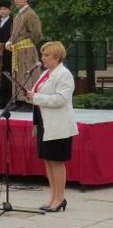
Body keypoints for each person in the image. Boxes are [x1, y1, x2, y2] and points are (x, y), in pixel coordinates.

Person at [25, 41, 78, 212]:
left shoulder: (64, 74)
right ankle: (53, 196)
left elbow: (60, 99)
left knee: (56, 161)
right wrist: (30, 95)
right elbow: (38, 93)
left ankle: (60, 198)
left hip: (58, 124)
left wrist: (37, 97)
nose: (43, 58)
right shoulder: (46, 73)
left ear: (56, 56)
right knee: (48, 160)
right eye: (42, 55)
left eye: (46, 55)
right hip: (43, 122)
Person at [6, 0, 42, 112]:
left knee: (28, 74)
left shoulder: (30, 14)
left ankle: (29, 102)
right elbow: (14, 33)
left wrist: (27, 43)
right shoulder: (18, 15)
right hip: (17, 49)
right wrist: (10, 41)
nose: (16, 1)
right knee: (18, 74)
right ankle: (19, 100)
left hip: (27, 49)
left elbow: (37, 33)